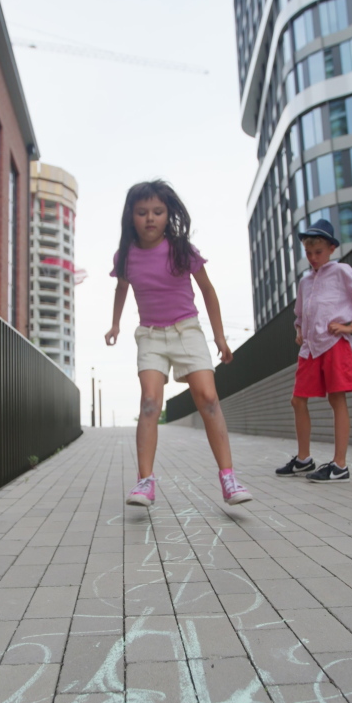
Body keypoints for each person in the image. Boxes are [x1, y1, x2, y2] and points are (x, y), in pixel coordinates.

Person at [105, 179, 252, 508]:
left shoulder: (182, 250)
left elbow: (208, 291)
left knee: (209, 398)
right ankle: (145, 482)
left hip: (187, 330)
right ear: (131, 216)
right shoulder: (125, 255)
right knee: (149, 402)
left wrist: (219, 337)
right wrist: (115, 324)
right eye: (142, 212)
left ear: (168, 213)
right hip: (151, 335)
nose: (150, 218)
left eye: (157, 211)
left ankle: (228, 477)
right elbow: (121, 289)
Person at [276, 218, 352, 482]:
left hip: (335, 344)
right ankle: (303, 460)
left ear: (331, 248)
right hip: (310, 349)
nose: (312, 257)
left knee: (337, 400)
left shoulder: (341, 271)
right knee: (297, 400)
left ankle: (340, 465)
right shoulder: (305, 282)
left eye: (318, 252)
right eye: (308, 253)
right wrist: (299, 331)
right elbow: (299, 315)